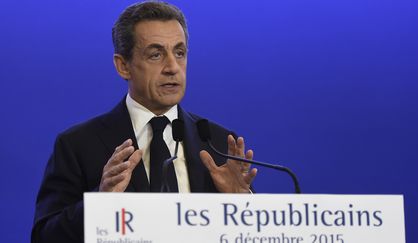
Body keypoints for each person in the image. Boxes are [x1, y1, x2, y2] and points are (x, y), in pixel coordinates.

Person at [32, 1, 258, 242]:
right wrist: (100, 203)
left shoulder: (218, 143)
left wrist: (243, 206)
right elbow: (45, 236)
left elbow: (250, 234)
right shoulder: (78, 145)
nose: (172, 67)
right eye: (156, 54)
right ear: (123, 66)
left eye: (179, 53)